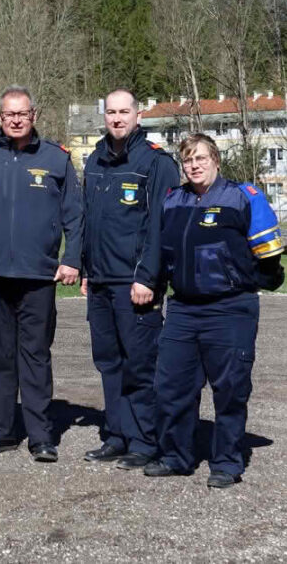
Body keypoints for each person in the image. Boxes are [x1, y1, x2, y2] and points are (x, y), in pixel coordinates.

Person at [131, 133, 285, 489]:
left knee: (230, 389)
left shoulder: (242, 197)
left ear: (215, 160)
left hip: (230, 309)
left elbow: (270, 255)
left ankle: (227, 462)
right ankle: (176, 456)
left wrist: (244, 279)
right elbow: (157, 250)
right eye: (187, 160)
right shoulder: (173, 201)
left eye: (200, 158)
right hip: (183, 309)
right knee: (171, 387)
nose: (194, 165)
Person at [0, 85, 82, 463]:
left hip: (38, 277)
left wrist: (73, 259)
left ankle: (40, 436)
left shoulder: (56, 159)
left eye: (23, 113)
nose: (16, 119)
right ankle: (1, 432)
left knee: (35, 356)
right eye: (9, 114)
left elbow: (75, 216)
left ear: (35, 116)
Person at [80, 90, 179, 470]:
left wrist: (148, 278)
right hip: (102, 282)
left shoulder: (156, 163)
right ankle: (117, 434)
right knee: (109, 362)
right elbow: (90, 222)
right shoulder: (95, 161)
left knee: (140, 363)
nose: (117, 118)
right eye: (111, 112)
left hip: (135, 284)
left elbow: (161, 228)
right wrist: (88, 270)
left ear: (138, 116)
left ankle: (144, 440)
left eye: (124, 112)